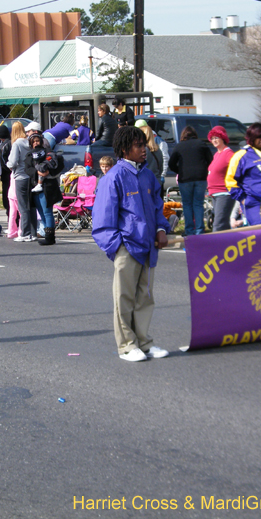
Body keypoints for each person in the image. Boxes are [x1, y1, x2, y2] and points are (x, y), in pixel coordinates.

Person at [92, 126, 171, 362]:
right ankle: (127, 346)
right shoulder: (113, 177)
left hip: (149, 246)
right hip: (126, 247)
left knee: (145, 297)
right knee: (124, 298)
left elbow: (158, 208)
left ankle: (144, 343)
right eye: (138, 146)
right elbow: (103, 220)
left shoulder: (147, 176)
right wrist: (117, 247)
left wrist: (161, 229)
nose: (144, 149)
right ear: (125, 149)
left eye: (144, 144)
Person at [168, 125, 213, 236]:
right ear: (195, 135)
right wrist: (203, 169)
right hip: (200, 178)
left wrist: (180, 170)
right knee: (198, 204)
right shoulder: (201, 144)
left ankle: (189, 230)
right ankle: (199, 230)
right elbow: (211, 160)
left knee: (187, 205)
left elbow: (171, 163)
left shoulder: (179, 146)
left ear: (183, 135)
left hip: (185, 178)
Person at [226, 125, 261, 226]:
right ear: (252, 137)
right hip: (254, 203)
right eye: (259, 136)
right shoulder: (241, 155)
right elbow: (230, 181)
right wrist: (243, 199)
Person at [25, 132, 63, 245]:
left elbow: (59, 165)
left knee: (47, 212)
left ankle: (50, 237)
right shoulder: (29, 155)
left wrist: (48, 171)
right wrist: (37, 172)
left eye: (37, 141)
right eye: (33, 142)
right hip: (35, 186)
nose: (36, 143)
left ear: (41, 142)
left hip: (48, 186)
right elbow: (27, 169)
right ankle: (46, 233)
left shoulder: (48, 152)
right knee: (41, 212)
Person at [7, 121, 36, 242]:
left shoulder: (17, 144)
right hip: (31, 176)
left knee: (22, 206)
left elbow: (13, 162)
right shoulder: (29, 142)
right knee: (31, 205)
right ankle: (33, 232)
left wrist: (8, 165)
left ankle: (25, 233)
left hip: (20, 176)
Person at [206, 125, 234, 232]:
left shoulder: (228, 154)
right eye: (212, 138)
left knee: (218, 225)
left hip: (224, 193)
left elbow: (237, 170)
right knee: (223, 225)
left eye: (216, 137)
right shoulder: (217, 154)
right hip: (215, 193)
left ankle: (215, 243)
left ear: (223, 138)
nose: (214, 140)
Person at [0, 124, 12, 215]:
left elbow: (3, 161)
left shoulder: (2, 147)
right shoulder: (12, 143)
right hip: (11, 174)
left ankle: (10, 214)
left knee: (7, 196)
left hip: (6, 174)